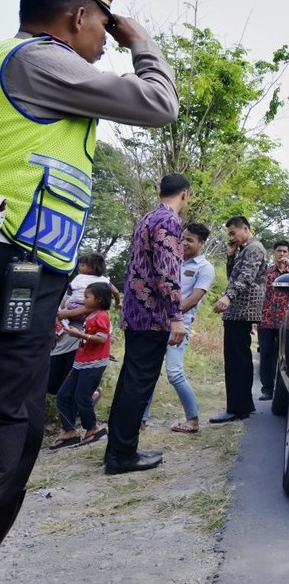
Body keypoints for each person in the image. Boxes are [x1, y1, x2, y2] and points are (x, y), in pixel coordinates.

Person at [0, 0, 177, 539]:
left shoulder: (34, 68)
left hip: (31, 270)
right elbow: (158, 104)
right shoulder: (39, 60)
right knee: (9, 418)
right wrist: (144, 44)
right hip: (15, 267)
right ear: (78, 17)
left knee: (20, 422)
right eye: (104, 27)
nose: (107, 40)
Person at [104, 174, 190, 475]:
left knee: (130, 381)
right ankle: (122, 456)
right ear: (185, 195)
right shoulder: (168, 222)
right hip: (153, 316)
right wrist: (176, 316)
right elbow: (166, 275)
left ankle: (117, 450)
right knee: (138, 384)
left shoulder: (147, 218)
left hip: (136, 312)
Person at [142, 223, 215, 434]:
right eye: (183, 238)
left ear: (201, 243)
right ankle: (141, 420)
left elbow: (194, 299)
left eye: (190, 240)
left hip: (180, 325)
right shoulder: (171, 260)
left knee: (174, 373)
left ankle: (192, 420)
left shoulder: (205, 268)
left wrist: (171, 315)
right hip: (157, 323)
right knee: (149, 372)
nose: (184, 243)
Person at [211, 216, 267, 423]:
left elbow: (245, 278)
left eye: (233, 232)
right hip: (239, 310)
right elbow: (232, 276)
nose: (231, 236)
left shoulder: (254, 249)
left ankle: (236, 408)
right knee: (240, 360)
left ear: (245, 229)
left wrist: (228, 296)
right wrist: (230, 255)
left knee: (236, 361)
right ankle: (243, 405)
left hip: (242, 310)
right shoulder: (246, 249)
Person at [48, 283, 113, 449]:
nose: (83, 299)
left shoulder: (101, 317)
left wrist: (79, 335)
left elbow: (101, 339)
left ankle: (92, 428)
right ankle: (69, 430)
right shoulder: (90, 315)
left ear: (98, 299)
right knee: (63, 394)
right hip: (80, 362)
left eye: (86, 297)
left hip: (94, 363)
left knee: (82, 396)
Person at [48, 253, 117, 396]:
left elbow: (100, 334)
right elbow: (66, 297)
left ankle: (83, 400)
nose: (80, 267)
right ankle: (81, 398)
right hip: (67, 328)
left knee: (69, 375)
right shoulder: (104, 281)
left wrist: (63, 314)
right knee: (56, 376)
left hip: (80, 332)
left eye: (83, 265)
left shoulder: (99, 303)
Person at [258, 239, 289, 401]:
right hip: (266, 321)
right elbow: (259, 296)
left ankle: (282, 390)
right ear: (273, 253)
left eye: (284, 251)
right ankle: (267, 389)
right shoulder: (267, 273)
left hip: (286, 322)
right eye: (279, 251)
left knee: (283, 357)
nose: (281, 254)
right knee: (266, 355)